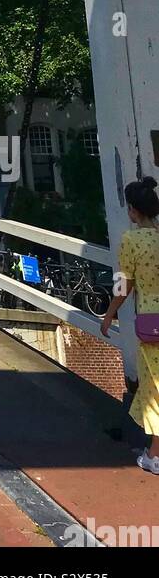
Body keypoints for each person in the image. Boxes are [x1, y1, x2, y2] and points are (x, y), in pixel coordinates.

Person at [102, 176, 159, 474]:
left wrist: (110, 313)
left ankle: (154, 454)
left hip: (151, 323)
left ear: (134, 211)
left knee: (153, 387)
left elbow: (124, 284)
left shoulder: (132, 240)